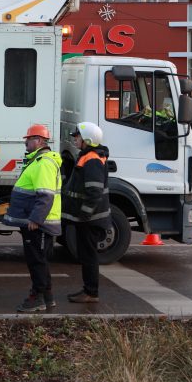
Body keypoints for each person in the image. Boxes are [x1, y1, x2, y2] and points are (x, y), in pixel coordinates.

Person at [3, 124, 62, 313]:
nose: (25, 143)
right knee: (40, 261)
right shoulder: (38, 161)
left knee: (37, 261)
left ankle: (37, 298)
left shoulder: (43, 163)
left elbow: (45, 195)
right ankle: (47, 297)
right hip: (37, 222)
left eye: (28, 140)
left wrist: (36, 220)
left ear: (38, 140)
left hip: (39, 224)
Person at [62, 121, 111, 304]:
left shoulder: (92, 159)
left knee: (89, 257)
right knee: (86, 255)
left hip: (90, 220)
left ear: (87, 139)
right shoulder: (88, 156)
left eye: (78, 136)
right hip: (89, 219)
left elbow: (94, 191)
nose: (75, 139)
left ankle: (91, 292)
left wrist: (84, 214)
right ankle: (88, 290)